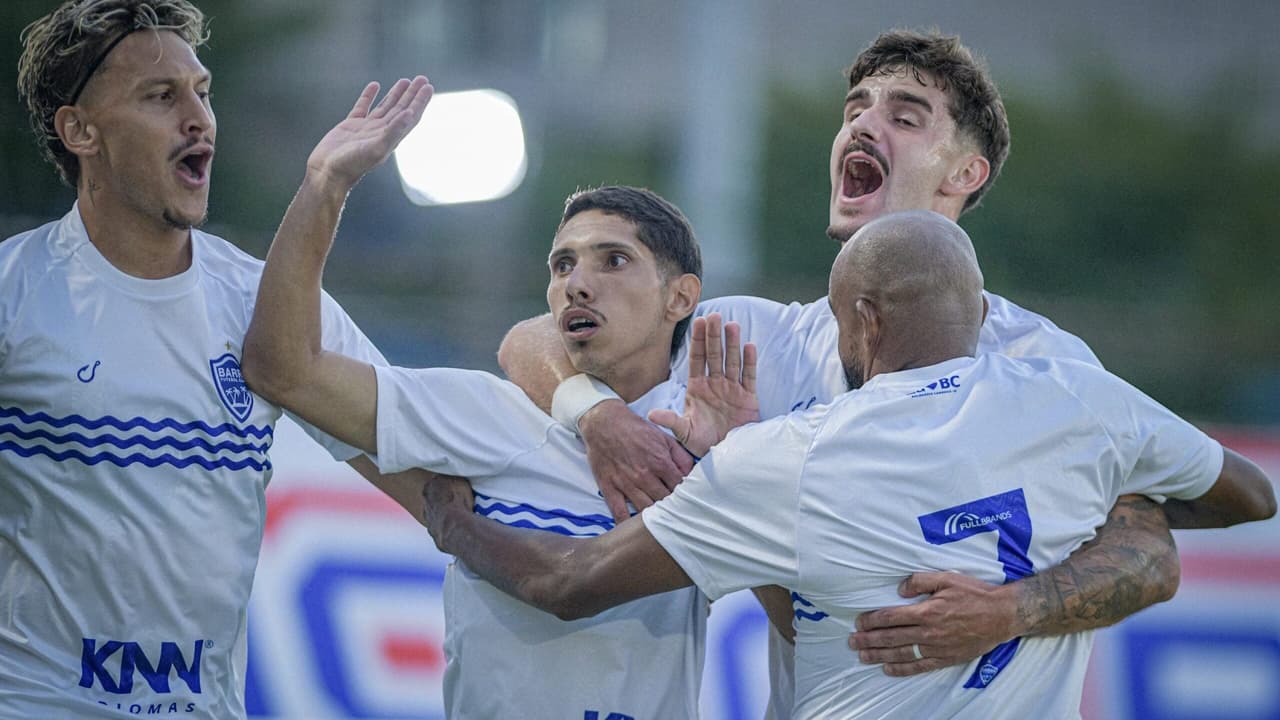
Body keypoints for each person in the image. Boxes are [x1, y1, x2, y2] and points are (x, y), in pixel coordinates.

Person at [493, 29, 1258, 712]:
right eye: (856, 106)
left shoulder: (1045, 365)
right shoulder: (760, 339)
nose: (862, 122)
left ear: (965, 172)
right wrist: (593, 416)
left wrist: (1012, 610)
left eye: (905, 114)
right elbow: (534, 337)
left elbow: (1150, 555)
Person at [419, 211, 1275, 720]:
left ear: (861, 321)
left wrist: (453, 522)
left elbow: (570, 584)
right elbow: (1247, 494)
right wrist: (1054, 560)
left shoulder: (798, 453)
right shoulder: (1081, 401)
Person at [1, 2, 430, 716]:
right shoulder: (14, 296)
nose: (198, 118)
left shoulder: (264, 302)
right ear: (80, 130)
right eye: (161, 96)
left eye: (202, 91)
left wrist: (587, 411)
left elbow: (431, 478)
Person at [240, 123, 718, 716]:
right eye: (562, 266)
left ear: (681, 297)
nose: (578, 285)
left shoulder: (714, 441)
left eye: (613, 260)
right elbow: (283, 371)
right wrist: (324, 185)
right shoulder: (485, 413)